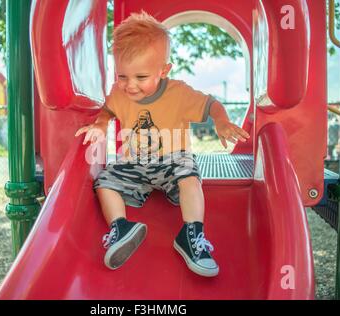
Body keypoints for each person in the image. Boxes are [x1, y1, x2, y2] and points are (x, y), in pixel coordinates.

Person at [75, 12, 249, 277]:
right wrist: (100, 125)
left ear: (164, 70)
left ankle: (191, 235)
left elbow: (212, 104)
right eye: (122, 76)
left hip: (172, 161)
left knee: (189, 175)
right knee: (104, 180)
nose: (130, 86)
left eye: (141, 77)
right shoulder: (119, 92)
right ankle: (120, 227)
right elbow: (109, 110)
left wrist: (221, 122)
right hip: (135, 162)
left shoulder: (178, 93)